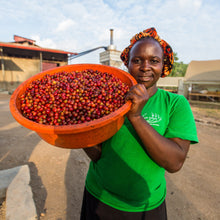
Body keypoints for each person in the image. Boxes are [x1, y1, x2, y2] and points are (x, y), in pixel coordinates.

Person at [81, 27, 198, 220]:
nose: (145, 67)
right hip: (100, 198)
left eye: (154, 61)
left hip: (146, 207)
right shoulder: (110, 98)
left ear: (164, 65)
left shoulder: (175, 104)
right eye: (137, 60)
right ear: (127, 63)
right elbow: (99, 155)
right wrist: (79, 134)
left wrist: (136, 117)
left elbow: (175, 162)